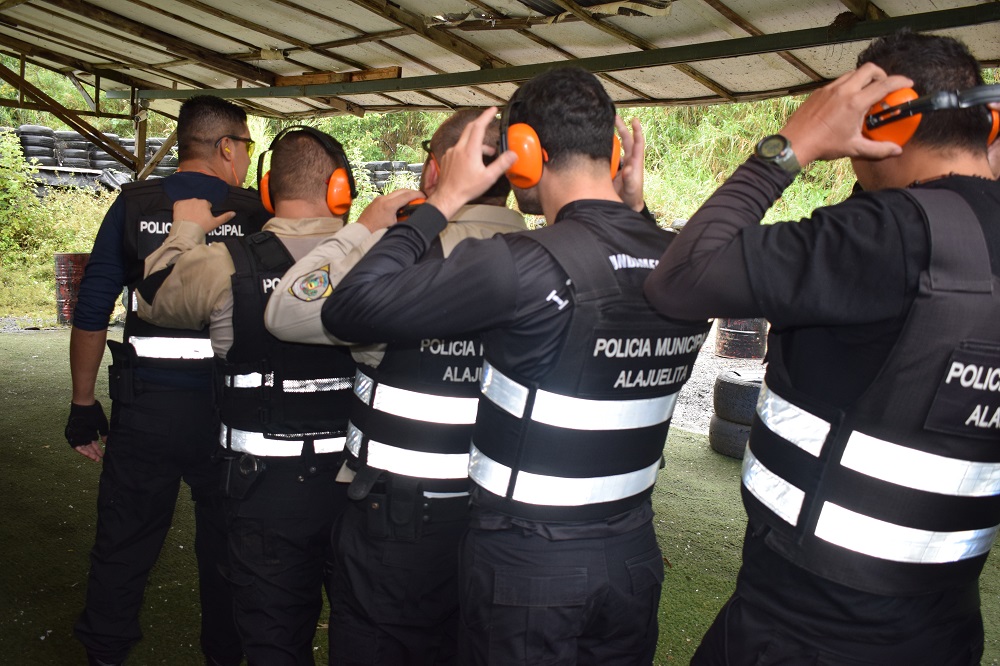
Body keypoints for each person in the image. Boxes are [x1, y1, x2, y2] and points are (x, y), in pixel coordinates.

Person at [318, 67, 712, 665]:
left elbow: (348, 309)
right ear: (611, 154)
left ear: (524, 151)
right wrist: (637, 212)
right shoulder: (683, 261)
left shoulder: (522, 263)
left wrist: (441, 202)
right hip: (633, 558)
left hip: (531, 568)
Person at [644, 31, 1000, 664]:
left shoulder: (883, 238)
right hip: (941, 631)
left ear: (884, 121)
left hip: (803, 628)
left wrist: (792, 144)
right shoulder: (944, 236)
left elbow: (681, 281)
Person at [264, 109, 526, 665]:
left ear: (435, 171)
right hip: (507, 524)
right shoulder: (549, 258)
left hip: (399, 525)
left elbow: (287, 311)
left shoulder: (395, 260)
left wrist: (363, 229)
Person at [135, 127, 363, 665]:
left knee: (272, 639)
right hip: (362, 486)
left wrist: (187, 231)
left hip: (262, 490)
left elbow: (151, 299)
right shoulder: (381, 258)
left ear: (265, 191)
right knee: (365, 631)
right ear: (341, 188)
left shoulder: (225, 263)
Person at [65, 95, 269, 666]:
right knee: (228, 549)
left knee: (124, 542)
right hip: (228, 414)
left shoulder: (134, 205)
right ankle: (225, 657)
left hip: (146, 408)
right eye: (246, 145)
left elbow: (93, 308)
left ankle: (105, 654)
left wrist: (83, 404)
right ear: (226, 147)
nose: (246, 157)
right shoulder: (255, 213)